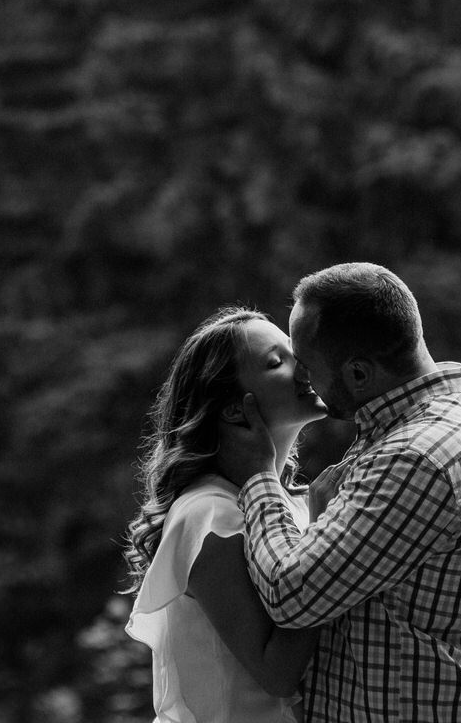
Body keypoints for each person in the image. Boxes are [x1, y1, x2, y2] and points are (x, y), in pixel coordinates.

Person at [219, 263, 461, 723]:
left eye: (307, 365)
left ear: (360, 374)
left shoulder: (418, 457)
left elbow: (291, 597)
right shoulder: (434, 426)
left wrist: (257, 476)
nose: (300, 379)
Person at [124, 306, 332, 723]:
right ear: (236, 410)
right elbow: (277, 674)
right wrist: (325, 549)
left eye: (295, 352)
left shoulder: (293, 502)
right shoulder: (209, 518)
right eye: (277, 362)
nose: (302, 365)